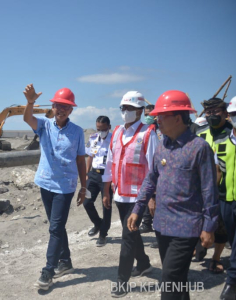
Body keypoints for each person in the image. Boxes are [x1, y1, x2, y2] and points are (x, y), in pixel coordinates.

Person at [127, 90, 219, 300]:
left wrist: (209, 226)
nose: (156, 119)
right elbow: (151, 179)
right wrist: (138, 208)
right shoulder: (162, 146)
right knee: (177, 280)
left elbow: (209, 190)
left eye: (161, 116)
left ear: (178, 118)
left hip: (187, 226)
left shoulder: (199, 148)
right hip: (162, 224)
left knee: (169, 279)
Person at [23, 84, 87, 291]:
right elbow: (27, 118)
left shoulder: (77, 132)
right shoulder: (44, 125)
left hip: (65, 187)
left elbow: (80, 161)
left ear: (71, 110)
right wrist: (30, 102)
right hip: (45, 182)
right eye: (57, 105)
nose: (60, 109)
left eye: (65, 106)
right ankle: (65, 261)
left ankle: (48, 270)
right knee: (56, 226)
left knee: (55, 228)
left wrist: (83, 186)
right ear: (52, 107)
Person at [101, 91, 159, 297]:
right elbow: (109, 163)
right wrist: (106, 190)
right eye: (123, 108)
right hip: (119, 195)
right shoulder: (116, 132)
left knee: (127, 237)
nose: (126, 112)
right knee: (132, 233)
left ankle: (121, 280)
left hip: (138, 198)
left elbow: (154, 168)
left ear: (141, 111)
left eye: (130, 109)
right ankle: (143, 264)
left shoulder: (148, 133)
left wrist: (151, 197)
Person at [214, 94, 236, 300]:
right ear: (227, 115)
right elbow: (218, 171)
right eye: (234, 113)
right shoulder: (222, 142)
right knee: (234, 240)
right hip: (225, 199)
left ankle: (232, 282)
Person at [195, 98, 231, 273]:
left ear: (225, 113)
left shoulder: (234, 133)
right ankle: (200, 245)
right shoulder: (200, 133)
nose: (212, 115)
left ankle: (216, 258)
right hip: (200, 189)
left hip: (225, 190)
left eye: (216, 111)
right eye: (209, 112)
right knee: (198, 221)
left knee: (221, 226)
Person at [84, 115, 113, 247]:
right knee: (86, 202)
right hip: (94, 175)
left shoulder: (114, 140)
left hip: (107, 176)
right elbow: (90, 156)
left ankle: (103, 234)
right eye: (98, 128)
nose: (100, 131)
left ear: (109, 127)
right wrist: (86, 173)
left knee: (106, 205)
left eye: (102, 129)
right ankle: (98, 223)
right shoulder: (93, 138)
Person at [139, 104, 160, 249]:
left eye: (150, 114)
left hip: (160, 170)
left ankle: (161, 235)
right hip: (147, 171)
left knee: (157, 204)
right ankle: (147, 223)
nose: (147, 116)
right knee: (148, 201)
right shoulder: (145, 130)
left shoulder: (160, 130)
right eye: (145, 113)